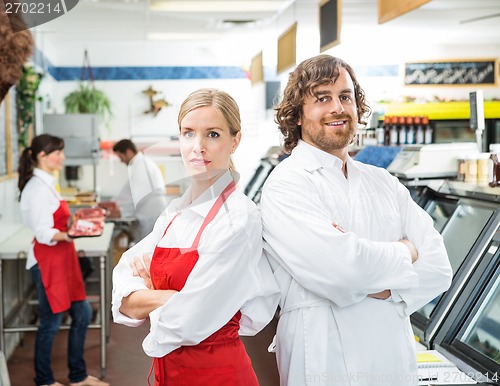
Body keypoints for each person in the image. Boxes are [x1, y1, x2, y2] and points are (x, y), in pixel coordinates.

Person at [260, 54, 453, 386]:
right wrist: (405, 252)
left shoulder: (383, 182)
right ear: (297, 114)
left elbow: (439, 268)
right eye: (322, 98)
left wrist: (381, 283)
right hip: (323, 362)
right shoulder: (286, 184)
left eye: (345, 96)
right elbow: (342, 272)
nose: (337, 107)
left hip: (393, 363)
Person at [112, 88, 280, 386]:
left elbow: (186, 321)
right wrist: (173, 298)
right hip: (169, 374)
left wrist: (149, 295)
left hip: (217, 375)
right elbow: (122, 290)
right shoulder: (174, 214)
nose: (197, 146)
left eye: (212, 134)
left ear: (235, 140)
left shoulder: (238, 220)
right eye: (188, 133)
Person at [18, 134, 109, 386]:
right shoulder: (36, 188)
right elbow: (43, 232)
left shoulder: (48, 183)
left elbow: (55, 220)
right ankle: (44, 380)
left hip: (63, 258)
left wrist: (78, 222)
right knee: (51, 320)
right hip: (48, 261)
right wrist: (73, 232)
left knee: (81, 313)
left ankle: (78, 376)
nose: (63, 157)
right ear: (42, 156)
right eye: (58, 153)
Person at [111, 139, 168, 240]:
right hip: (147, 214)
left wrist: (121, 212)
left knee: (148, 250)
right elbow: (127, 191)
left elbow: (138, 197)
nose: (121, 161)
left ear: (128, 152)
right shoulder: (137, 166)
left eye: (120, 156)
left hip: (151, 215)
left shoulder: (142, 166)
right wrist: (112, 204)